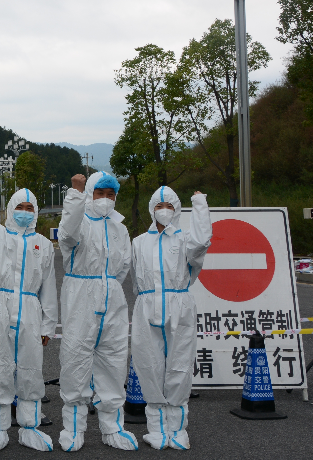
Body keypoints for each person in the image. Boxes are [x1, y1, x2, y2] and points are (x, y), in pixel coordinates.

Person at [0, 177, 58, 453]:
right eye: (21, 206)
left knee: (31, 369)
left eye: (30, 208)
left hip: (31, 307)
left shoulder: (42, 243)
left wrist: (47, 325)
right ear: (10, 208)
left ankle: (30, 427)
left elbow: (49, 285)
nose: (25, 212)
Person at [56, 171, 137, 452]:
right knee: (75, 360)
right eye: (99, 193)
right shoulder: (79, 222)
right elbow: (66, 234)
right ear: (89, 194)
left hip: (112, 296)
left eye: (110, 194)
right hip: (81, 294)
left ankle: (112, 428)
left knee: (113, 362)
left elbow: (123, 266)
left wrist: (110, 286)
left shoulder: (120, 228)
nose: (105, 200)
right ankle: (73, 428)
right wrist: (75, 195)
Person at [130, 186, 210, 450]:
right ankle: (155, 429)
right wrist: (144, 300)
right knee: (149, 365)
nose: (163, 210)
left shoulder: (186, 239)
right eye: (158, 205)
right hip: (146, 305)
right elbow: (135, 278)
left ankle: (177, 429)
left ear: (177, 209)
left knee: (179, 365)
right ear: (151, 208)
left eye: (169, 205)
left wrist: (199, 204)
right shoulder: (140, 241)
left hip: (179, 305)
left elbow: (202, 242)